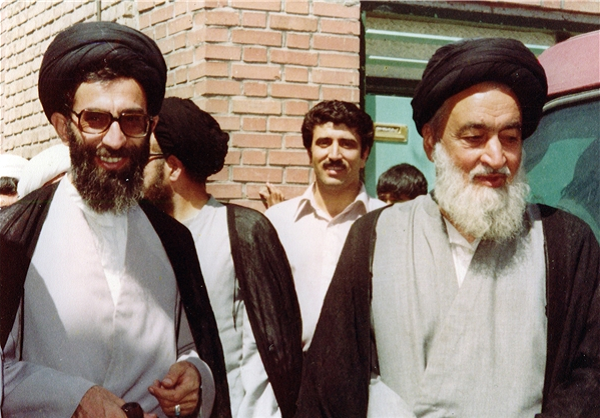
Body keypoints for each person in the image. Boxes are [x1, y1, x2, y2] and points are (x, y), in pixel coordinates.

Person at [296, 38, 600, 417]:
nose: (496, 158)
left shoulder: (565, 241)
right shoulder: (375, 235)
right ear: (431, 142)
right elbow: (331, 382)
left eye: (510, 138)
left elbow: (590, 377)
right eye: (474, 138)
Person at [0, 21, 230, 418]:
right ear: (63, 127)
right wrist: (72, 397)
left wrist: (196, 375)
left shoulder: (173, 239)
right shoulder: (14, 237)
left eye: (132, 120)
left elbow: (194, 347)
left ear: (150, 127)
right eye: (95, 119)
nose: (115, 139)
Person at [143, 97, 303, 418]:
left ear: (172, 167)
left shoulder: (241, 231)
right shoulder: (141, 233)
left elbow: (264, 356)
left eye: (144, 157)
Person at [265, 100, 385, 353]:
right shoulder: (277, 222)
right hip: (293, 367)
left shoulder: (387, 223)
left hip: (365, 369)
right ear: (309, 153)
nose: (334, 155)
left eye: (347, 144)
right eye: (324, 143)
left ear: (364, 155)